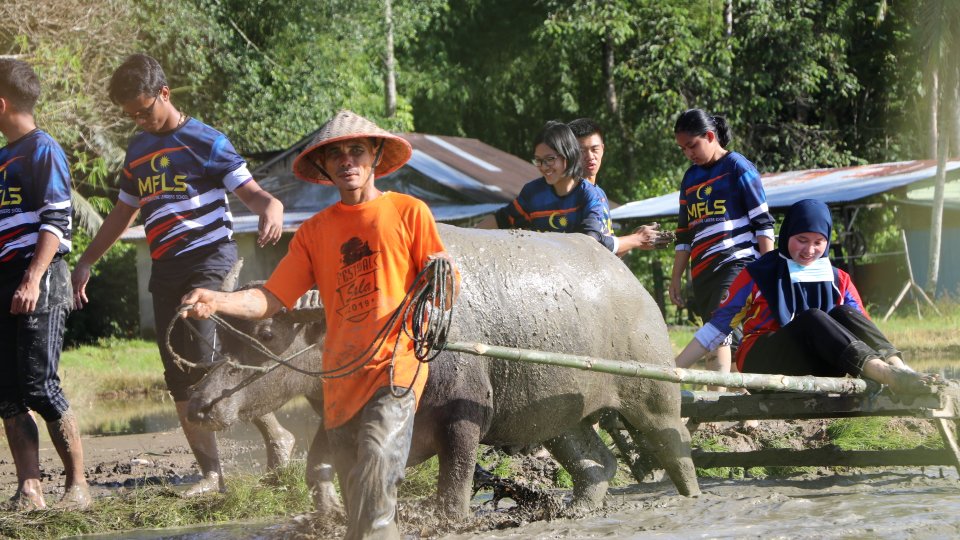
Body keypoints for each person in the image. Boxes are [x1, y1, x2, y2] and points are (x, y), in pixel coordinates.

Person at [180, 110, 457, 539]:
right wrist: (217, 300)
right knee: (356, 504)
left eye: (356, 151)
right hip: (341, 379)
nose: (347, 161)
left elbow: (442, 287)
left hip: (394, 367)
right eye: (336, 155)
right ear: (325, 167)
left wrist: (442, 272)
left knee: (378, 464)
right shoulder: (314, 232)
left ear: (376, 156)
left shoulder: (409, 213)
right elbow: (271, 300)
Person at [71, 53, 287, 497]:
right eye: (131, 115)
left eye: (144, 110)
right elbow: (122, 214)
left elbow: (253, 193)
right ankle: (213, 475)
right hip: (165, 267)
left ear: (164, 94)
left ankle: (275, 432)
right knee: (178, 375)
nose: (140, 120)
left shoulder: (206, 141)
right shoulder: (138, 150)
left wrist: (271, 208)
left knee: (206, 363)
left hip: (211, 258)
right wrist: (88, 259)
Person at [674, 199, 932, 393]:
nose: (809, 250)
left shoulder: (838, 278)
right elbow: (717, 328)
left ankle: (901, 371)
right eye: (801, 240)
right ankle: (884, 374)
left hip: (824, 360)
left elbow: (861, 327)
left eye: (818, 242)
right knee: (812, 318)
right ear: (786, 235)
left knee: (844, 313)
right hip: (764, 360)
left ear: (828, 241)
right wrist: (674, 369)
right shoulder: (758, 274)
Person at [0, 58, 90, 509]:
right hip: (4, 278)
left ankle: (78, 487)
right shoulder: (1, 158)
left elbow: (56, 218)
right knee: (7, 391)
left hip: (40, 275)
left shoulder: (42, 149)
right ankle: (30, 487)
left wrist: (32, 278)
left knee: (40, 384)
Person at [670, 109, 775, 385]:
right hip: (703, 272)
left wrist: (769, 271)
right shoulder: (690, 179)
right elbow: (684, 235)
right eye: (683, 149)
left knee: (721, 333)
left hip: (737, 263)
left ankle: (725, 406)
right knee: (722, 339)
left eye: (692, 145)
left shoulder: (738, 167)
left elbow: (763, 223)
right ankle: (729, 408)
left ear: (710, 136)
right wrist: (676, 279)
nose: (689, 153)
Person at [475, 121, 616, 253]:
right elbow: (502, 219)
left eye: (550, 159)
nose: (543, 167)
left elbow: (590, 241)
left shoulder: (590, 195)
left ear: (568, 155)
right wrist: (467, 237)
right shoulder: (533, 193)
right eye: (539, 161)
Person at [567, 117, 672, 255]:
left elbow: (606, 255)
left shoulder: (599, 193)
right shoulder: (570, 192)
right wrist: (635, 239)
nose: (590, 156)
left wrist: (633, 240)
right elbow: (590, 245)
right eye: (581, 151)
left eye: (594, 149)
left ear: (603, 149)